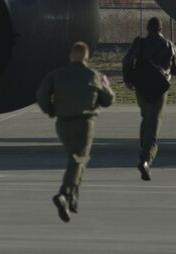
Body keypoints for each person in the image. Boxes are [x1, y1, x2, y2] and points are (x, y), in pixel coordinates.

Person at [36, 41, 114, 223]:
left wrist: (50, 110)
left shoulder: (57, 75)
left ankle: (72, 199)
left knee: (76, 159)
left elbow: (41, 95)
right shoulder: (94, 75)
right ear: (87, 58)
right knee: (78, 159)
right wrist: (105, 84)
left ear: (71, 56)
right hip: (84, 123)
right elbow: (108, 99)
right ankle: (64, 194)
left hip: (62, 124)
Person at [123, 17, 176, 181]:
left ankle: (144, 150)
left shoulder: (140, 43)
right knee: (154, 122)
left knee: (146, 116)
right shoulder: (169, 45)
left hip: (141, 86)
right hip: (160, 88)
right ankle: (146, 160)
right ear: (161, 29)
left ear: (148, 29)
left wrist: (128, 79)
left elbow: (127, 60)